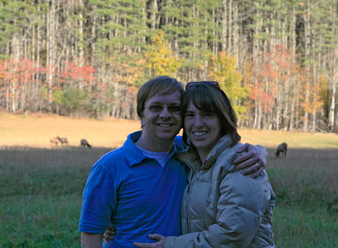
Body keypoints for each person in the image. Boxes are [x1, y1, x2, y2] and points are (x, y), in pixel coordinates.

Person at [79, 76, 268, 248]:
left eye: (175, 108)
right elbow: (90, 234)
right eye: (156, 108)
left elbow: (233, 232)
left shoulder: (189, 155)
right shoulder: (110, 167)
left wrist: (259, 150)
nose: (165, 114)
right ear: (141, 115)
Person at [133, 81, 275, 248]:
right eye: (190, 115)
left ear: (223, 119)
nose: (198, 123)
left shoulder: (242, 163)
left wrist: (170, 245)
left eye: (207, 115)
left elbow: (232, 236)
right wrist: (117, 219)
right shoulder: (188, 160)